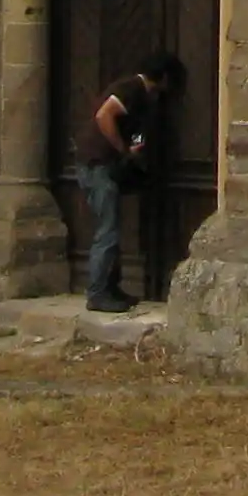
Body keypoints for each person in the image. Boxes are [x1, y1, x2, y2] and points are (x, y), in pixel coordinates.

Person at [74, 49, 186, 313]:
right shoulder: (131, 88)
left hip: (104, 167)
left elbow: (136, 132)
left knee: (111, 226)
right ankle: (98, 292)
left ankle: (111, 287)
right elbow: (105, 115)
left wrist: (136, 150)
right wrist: (122, 149)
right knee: (108, 230)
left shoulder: (147, 98)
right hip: (97, 165)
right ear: (165, 77)